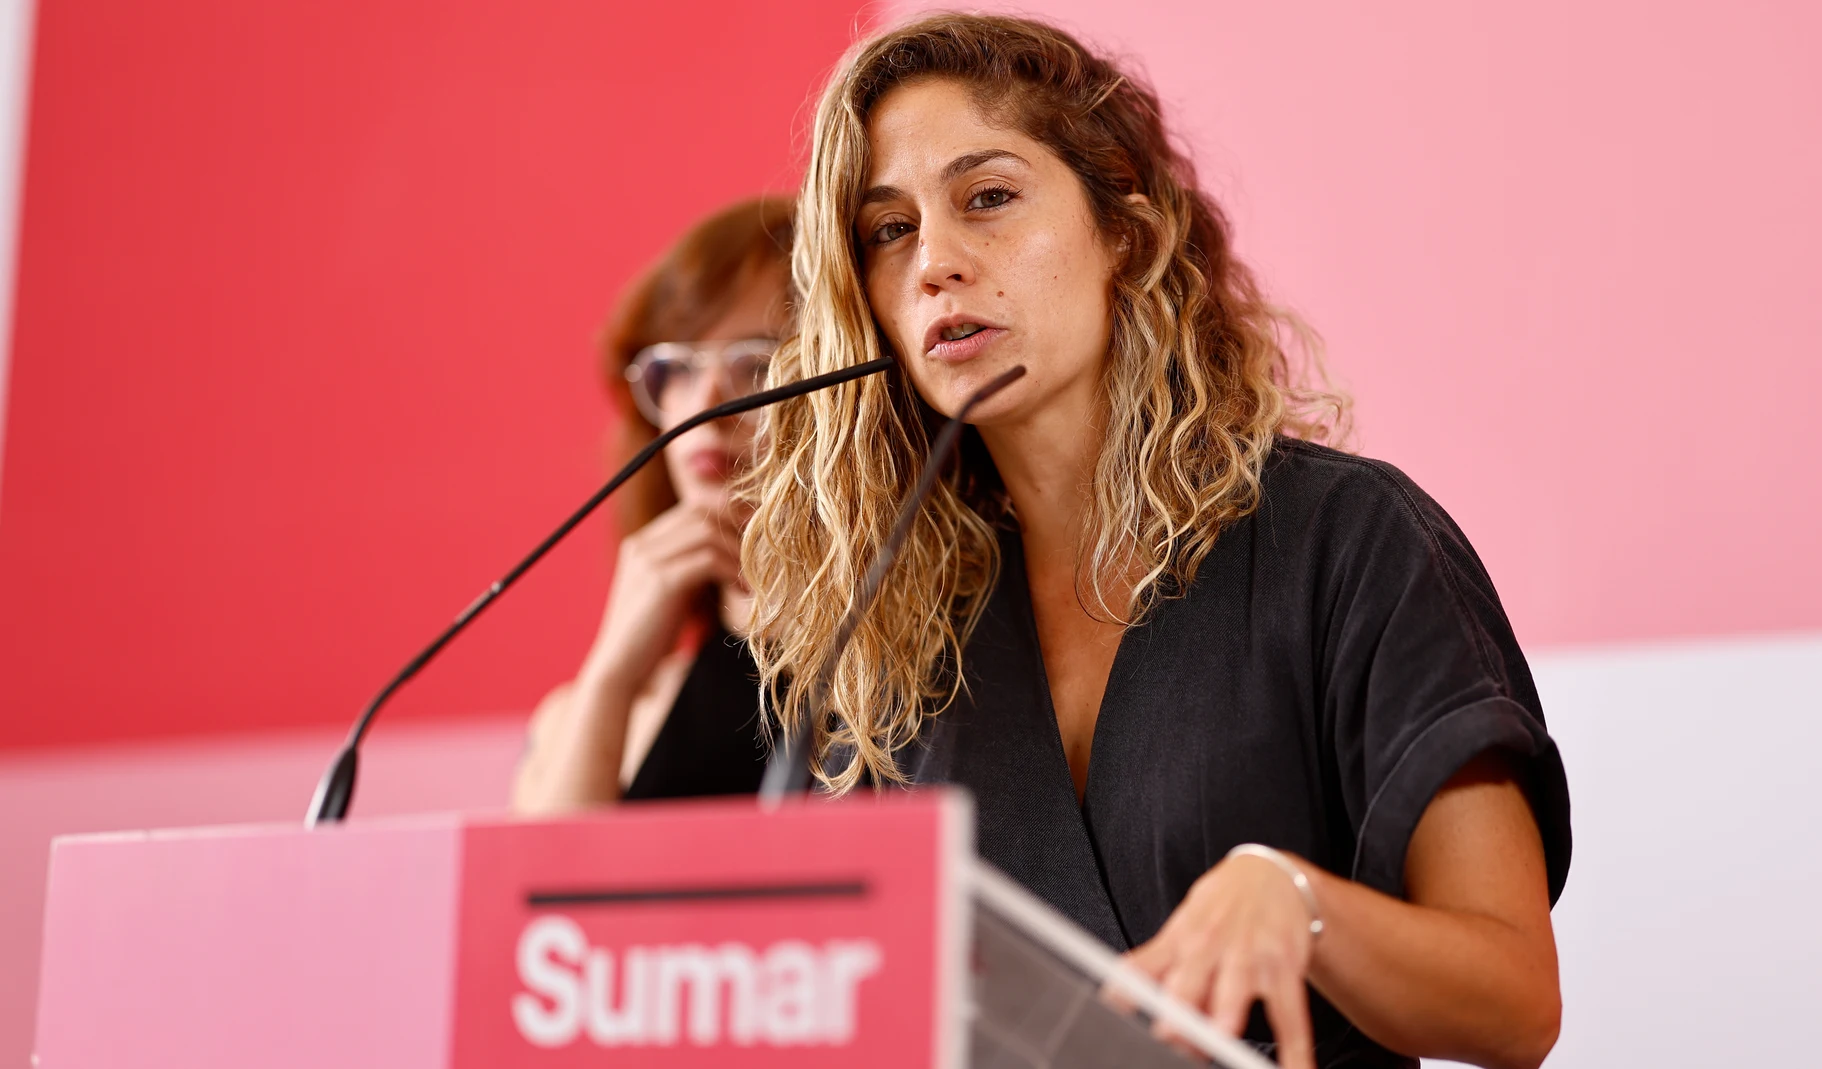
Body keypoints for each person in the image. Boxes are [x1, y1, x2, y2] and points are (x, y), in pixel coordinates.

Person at [739, 15, 1571, 1069]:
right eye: (888, 230)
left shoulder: (1346, 541)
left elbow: (1514, 1003)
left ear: (1122, 227)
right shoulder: (885, 638)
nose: (936, 263)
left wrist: (1298, 900)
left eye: (987, 197)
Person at [510, 197, 791, 815]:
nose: (706, 404)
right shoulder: (601, 710)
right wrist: (611, 679)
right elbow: (544, 879)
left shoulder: (932, 670)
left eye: (755, 363)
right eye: (677, 369)